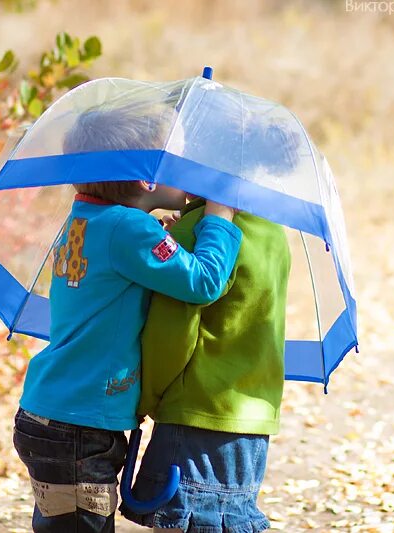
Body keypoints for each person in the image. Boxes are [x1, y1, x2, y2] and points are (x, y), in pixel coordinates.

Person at [12, 106, 243, 533]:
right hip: (81, 425)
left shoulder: (87, 218)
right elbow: (204, 281)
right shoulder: (130, 230)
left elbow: (122, 270)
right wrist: (220, 218)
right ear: (146, 178)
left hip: (52, 412)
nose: (187, 169)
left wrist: (164, 235)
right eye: (176, 159)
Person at [119, 118, 295, 532]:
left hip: (194, 418)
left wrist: (144, 399)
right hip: (252, 422)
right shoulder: (273, 233)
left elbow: (171, 336)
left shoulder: (196, 232)